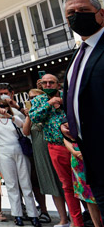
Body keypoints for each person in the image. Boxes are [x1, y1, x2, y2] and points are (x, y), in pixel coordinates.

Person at [63, 0, 104, 205]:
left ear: (101, 14)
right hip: (91, 155)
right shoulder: (78, 53)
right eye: (71, 13)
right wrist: (68, 122)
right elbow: (75, 96)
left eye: (84, 10)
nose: (77, 15)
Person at [30, 73, 84, 227]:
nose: (48, 85)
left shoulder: (67, 96)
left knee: (84, 182)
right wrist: (49, 104)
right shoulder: (39, 100)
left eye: (51, 83)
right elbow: (34, 117)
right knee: (67, 185)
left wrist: (62, 103)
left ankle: (95, 218)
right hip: (56, 147)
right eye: (45, 83)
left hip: (76, 145)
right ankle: (76, 221)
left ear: (58, 85)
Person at [0, 99, 40, 226]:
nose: (0, 109)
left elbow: (22, 125)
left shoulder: (13, 117)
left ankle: (33, 215)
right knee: (11, 185)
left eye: (2, 106)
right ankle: (18, 215)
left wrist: (9, 115)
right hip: (4, 152)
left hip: (19, 151)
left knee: (26, 183)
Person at [23, 89, 69, 227]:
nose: (33, 100)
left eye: (36, 97)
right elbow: (25, 132)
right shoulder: (33, 114)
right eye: (30, 98)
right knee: (52, 185)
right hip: (41, 153)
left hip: (56, 148)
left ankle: (77, 215)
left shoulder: (51, 110)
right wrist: (28, 115)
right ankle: (63, 219)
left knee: (66, 183)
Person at [61, 123, 102, 227]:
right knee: (87, 193)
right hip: (78, 156)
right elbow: (65, 137)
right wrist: (74, 152)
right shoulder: (68, 111)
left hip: (97, 150)